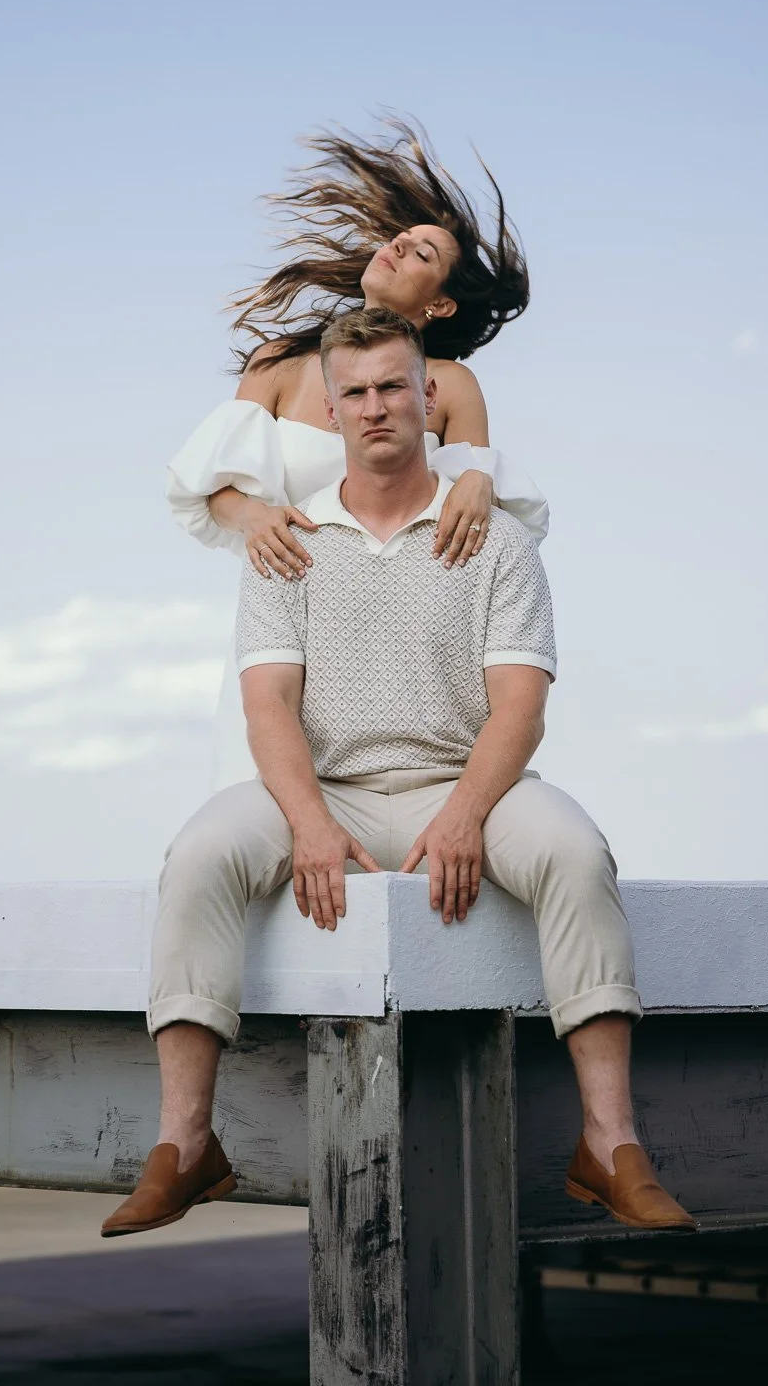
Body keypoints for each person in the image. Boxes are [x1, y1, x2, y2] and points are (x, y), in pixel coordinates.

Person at [102, 309, 695, 1238]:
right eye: (355, 393)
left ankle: (611, 1145)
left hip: (465, 786)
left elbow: (520, 707)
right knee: (202, 853)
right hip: (325, 789)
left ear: (428, 398)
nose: (376, 406)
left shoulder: (494, 540)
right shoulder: (286, 543)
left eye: (393, 387)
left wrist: (465, 817)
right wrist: (308, 824)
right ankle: (185, 1146)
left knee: (577, 854)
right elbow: (269, 710)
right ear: (330, 412)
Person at [165, 119, 549, 792]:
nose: (400, 244)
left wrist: (478, 482)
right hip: (289, 640)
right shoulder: (279, 362)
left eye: (424, 254)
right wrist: (255, 518)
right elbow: (211, 491)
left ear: (442, 303)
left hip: (411, 661)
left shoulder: (451, 386)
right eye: (403, 237)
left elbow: (478, 507)